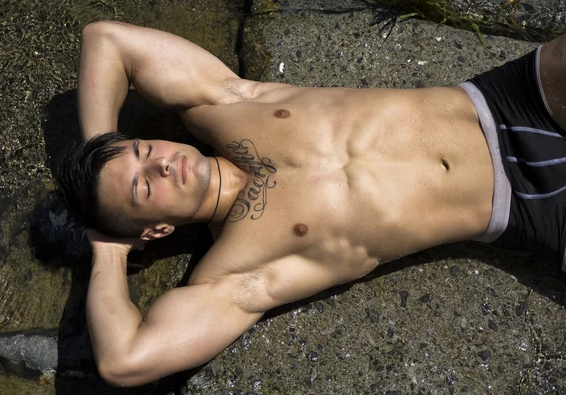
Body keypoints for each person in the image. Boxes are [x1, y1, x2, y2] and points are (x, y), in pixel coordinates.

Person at [56, 21, 566, 387]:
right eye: (144, 188)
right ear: (157, 230)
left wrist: (99, 150)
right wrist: (109, 245)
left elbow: (105, 39)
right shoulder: (236, 275)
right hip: (530, 207)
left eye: (145, 151)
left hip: (507, 100)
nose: (161, 165)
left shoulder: (225, 103)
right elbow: (125, 361)